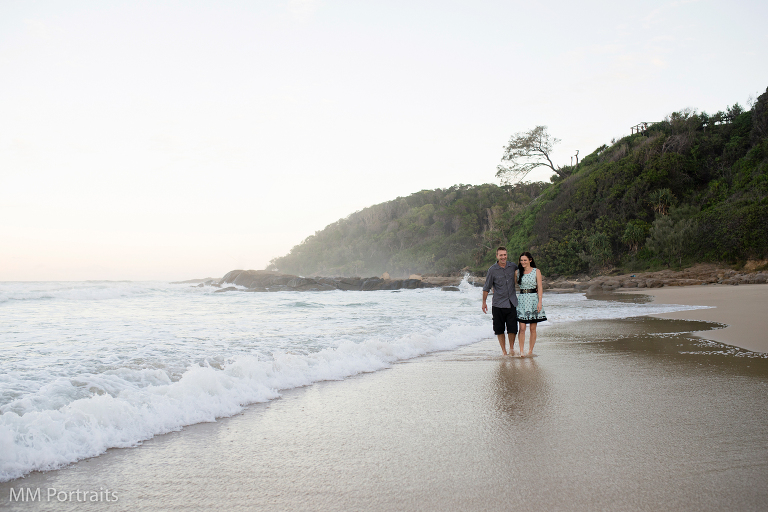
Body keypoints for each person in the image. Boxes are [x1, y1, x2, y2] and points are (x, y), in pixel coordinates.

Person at [482, 247, 519, 356]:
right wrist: (484, 302)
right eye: (501, 255)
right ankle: (504, 351)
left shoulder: (513, 266)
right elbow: (486, 287)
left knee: (513, 328)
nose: (503, 257)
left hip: (511, 302)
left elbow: (524, 273)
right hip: (498, 304)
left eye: (505, 255)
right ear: (497, 256)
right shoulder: (492, 270)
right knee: (499, 329)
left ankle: (511, 348)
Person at [516, 252, 547, 357]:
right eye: (521, 260)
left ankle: (530, 351)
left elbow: (540, 287)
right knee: (522, 328)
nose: (523, 262)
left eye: (525, 260)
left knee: (533, 328)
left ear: (530, 260)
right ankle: (521, 351)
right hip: (522, 300)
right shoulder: (518, 272)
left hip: (534, 299)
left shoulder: (536, 271)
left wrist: (540, 302)